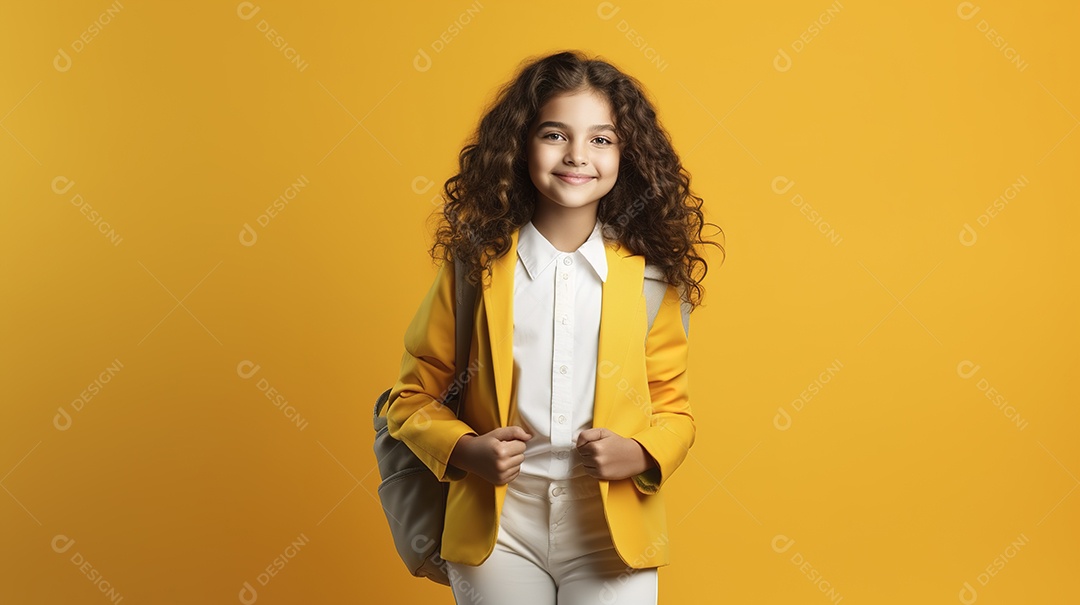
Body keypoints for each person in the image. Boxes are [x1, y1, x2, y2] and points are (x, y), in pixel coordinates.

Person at [382, 49, 723, 604]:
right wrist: (467, 449)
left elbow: (673, 410)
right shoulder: (476, 270)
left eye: (601, 139)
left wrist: (641, 454)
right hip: (499, 535)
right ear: (520, 146)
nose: (577, 155)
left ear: (626, 154)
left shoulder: (651, 281)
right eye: (554, 134)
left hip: (612, 535)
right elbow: (409, 399)